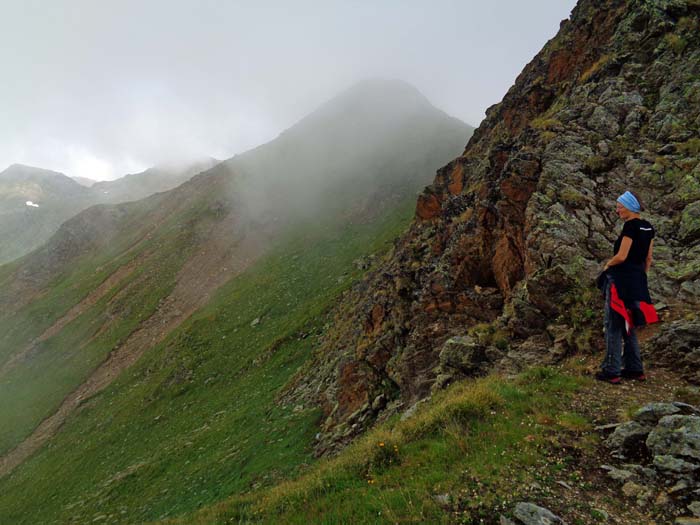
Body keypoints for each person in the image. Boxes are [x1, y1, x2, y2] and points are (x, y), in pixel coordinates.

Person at [596, 190, 657, 384]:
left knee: (613, 324)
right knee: (629, 324)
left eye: (619, 206)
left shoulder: (630, 227)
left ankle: (611, 370)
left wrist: (607, 265)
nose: (617, 210)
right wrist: (641, 277)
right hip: (637, 282)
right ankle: (634, 368)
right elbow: (648, 258)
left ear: (629, 207)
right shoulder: (648, 228)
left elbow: (622, 256)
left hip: (620, 281)